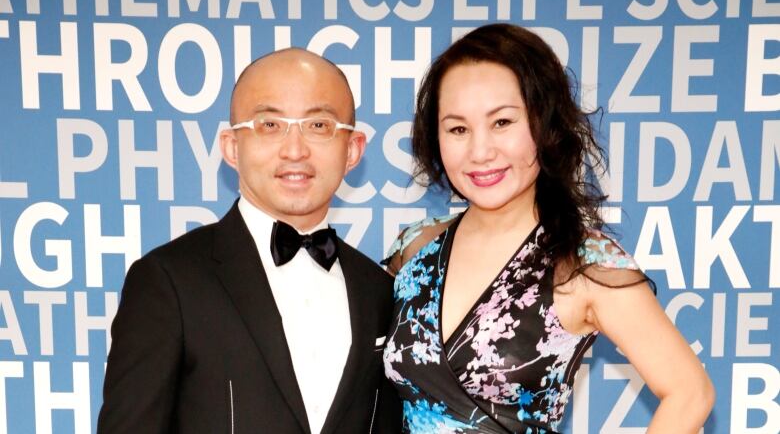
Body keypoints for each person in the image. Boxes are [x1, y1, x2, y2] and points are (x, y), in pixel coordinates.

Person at [382, 24, 714, 434]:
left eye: (502, 122)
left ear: (545, 124)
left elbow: (690, 392)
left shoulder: (583, 263)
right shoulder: (417, 246)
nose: (480, 151)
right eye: (458, 129)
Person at [98, 48, 400, 434]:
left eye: (319, 125)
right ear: (231, 147)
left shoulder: (380, 292)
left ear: (353, 149)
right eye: (270, 125)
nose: (295, 150)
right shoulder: (168, 281)